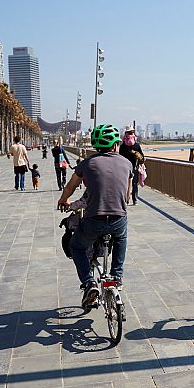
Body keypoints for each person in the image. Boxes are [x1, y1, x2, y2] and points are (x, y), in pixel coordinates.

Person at [57, 124, 133, 309]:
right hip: (118, 218)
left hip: (93, 220)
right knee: (121, 238)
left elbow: (71, 186)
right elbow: (127, 196)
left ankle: (89, 283)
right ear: (115, 145)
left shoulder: (87, 163)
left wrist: (63, 200)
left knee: (77, 247)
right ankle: (116, 275)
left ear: (96, 146)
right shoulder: (127, 163)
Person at [119, 125, 145, 205]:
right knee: (134, 184)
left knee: (125, 184)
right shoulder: (136, 145)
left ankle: (126, 199)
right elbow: (142, 158)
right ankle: (134, 199)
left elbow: (119, 156)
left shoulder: (123, 146)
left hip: (124, 168)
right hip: (134, 167)